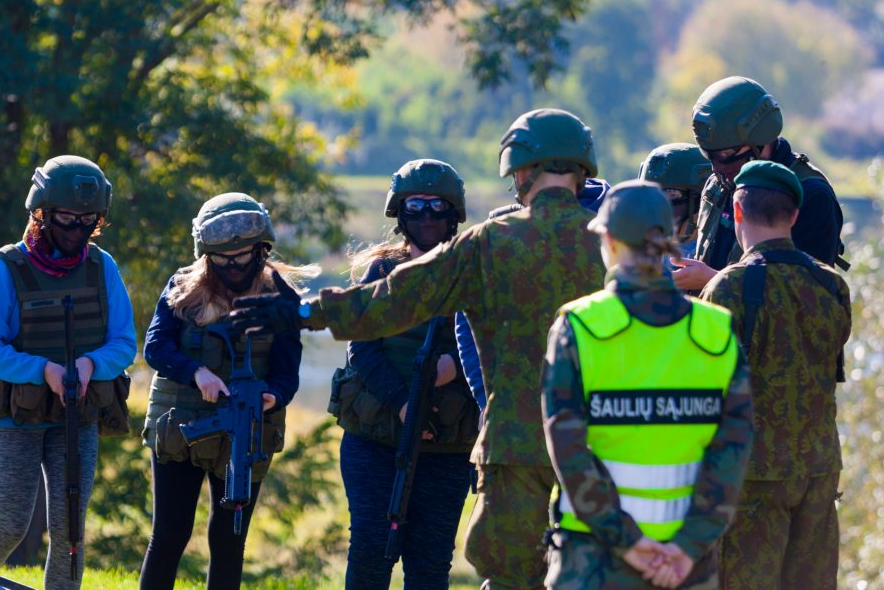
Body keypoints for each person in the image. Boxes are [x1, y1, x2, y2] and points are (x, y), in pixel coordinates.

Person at [232, 108, 607, 590]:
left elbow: (395, 298)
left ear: (520, 172)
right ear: (583, 172)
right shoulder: (614, 245)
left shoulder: (490, 244)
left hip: (515, 445)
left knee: (512, 576)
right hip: (602, 439)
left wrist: (304, 313)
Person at [540, 180, 754, 590]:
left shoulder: (580, 326)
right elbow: (733, 453)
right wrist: (687, 548)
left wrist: (629, 544)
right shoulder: (716, 331)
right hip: (685, 566)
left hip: (594, 560)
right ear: (668, 241)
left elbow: (567, 448)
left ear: (610, 240)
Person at [0, 155, 136, 590]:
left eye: (87, 219)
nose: (77, 228)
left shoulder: (103, 267)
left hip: (76, 415)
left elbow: (125, 343)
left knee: (71, 531)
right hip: (12, 417)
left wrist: (91, 363)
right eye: (66, 217)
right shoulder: (8, 268)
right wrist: (44, 370)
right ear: (40, 211)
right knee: (9, 526)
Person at [139, 193, 314, 590]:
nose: (233, 266)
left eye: (243, 256)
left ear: (261, 249)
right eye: (222, 258)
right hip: (181, 421)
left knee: (230, 538)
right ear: (206, 254)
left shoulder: (281, 296)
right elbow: (156, 347)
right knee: (169, 535)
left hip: (247, 425)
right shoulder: (184, 285)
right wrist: (196, 372)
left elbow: (288, 372)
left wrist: (274, 395)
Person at [699, 161, 851, 590]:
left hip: (752, 478)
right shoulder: (831, 285)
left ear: (738, 212)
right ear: (795, 216)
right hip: (818, 470)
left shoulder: (728, 287)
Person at [330, 159, 480, 589]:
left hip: (447, 446)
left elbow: (497, 347)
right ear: (400, 214)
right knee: (371, 553)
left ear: (454, 215)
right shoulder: (380, 273)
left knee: (430, 564)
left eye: (437, 206)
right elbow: (363, 349)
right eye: (416, 206)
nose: (427, 216)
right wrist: (401, 404)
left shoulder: (474, 274)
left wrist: (455, 367)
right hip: (375, 439)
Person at [673, 76, 848, 292]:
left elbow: (808, 298)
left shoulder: (811, 196)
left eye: (727, 154)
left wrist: (713, 281)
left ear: (761, 141)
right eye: (709, 156)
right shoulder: (719, 184)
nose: (718, 167)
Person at [455, 178, 611, 411]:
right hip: (521, 406)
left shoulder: (616, 230)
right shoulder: (501, 233)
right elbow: (469, 319)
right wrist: (487, 398)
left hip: (600, 403)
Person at [637, 143, 711, 259]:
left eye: (670, 194)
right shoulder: (638, 253)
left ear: (699, 200)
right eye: (651, 194)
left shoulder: (723, 254)